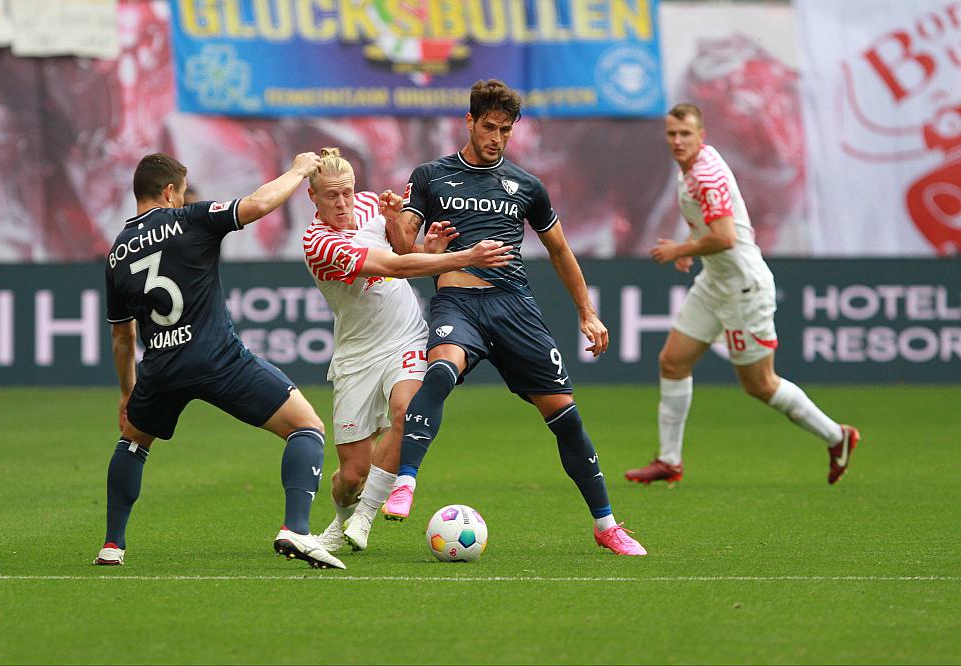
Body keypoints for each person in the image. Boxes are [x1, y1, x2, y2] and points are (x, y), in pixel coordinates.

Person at [385, 79, 647, 556]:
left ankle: (606, 524)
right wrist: (409, 235)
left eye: (505, 130)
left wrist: (587, 313)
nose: (497, 138)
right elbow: (404, 251)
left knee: (565, 418)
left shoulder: (527, 185)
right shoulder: (430, 176)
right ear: (468, 121)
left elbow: (561, 249)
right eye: (489, 127)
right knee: (441, 369)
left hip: (515, 310)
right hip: (458, 301)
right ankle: (406, 481)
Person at [95, 151, 346, 570]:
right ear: (170, 191)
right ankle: (296, 530)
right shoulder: (190, 218)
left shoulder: (117, 253)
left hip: (160, 368)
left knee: (134, 441)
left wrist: (127, 391)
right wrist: (300, 169)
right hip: (217, 358)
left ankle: (112, 545)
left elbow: (123, 336)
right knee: (307, 427)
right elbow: (260, 203)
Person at [624, 103, 861, 486]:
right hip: (715, 283)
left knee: (760, 384)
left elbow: (725, 236)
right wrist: (690, 244)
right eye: (672, 134)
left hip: (744, 288)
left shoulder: (705, 175)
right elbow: (714, 224)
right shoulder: (694, 167)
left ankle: (837, 436)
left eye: (686, 134)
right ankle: (669, 460)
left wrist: (679, 250)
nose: (678, 141)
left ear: (702, 137)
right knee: (672, 362)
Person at [301, 147, 513, 553]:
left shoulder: (367, 204)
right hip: (357, 355)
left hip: (407, 336)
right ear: (312, 197)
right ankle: (343, 519)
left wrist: (404, 228)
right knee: (351, 476)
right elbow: (395, 267)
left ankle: (363, 520)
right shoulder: (318, 243)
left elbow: (402, 250)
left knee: (406, 411)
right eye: (332, 196)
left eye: (347, 192)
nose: (343, 203)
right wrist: (465, 256)